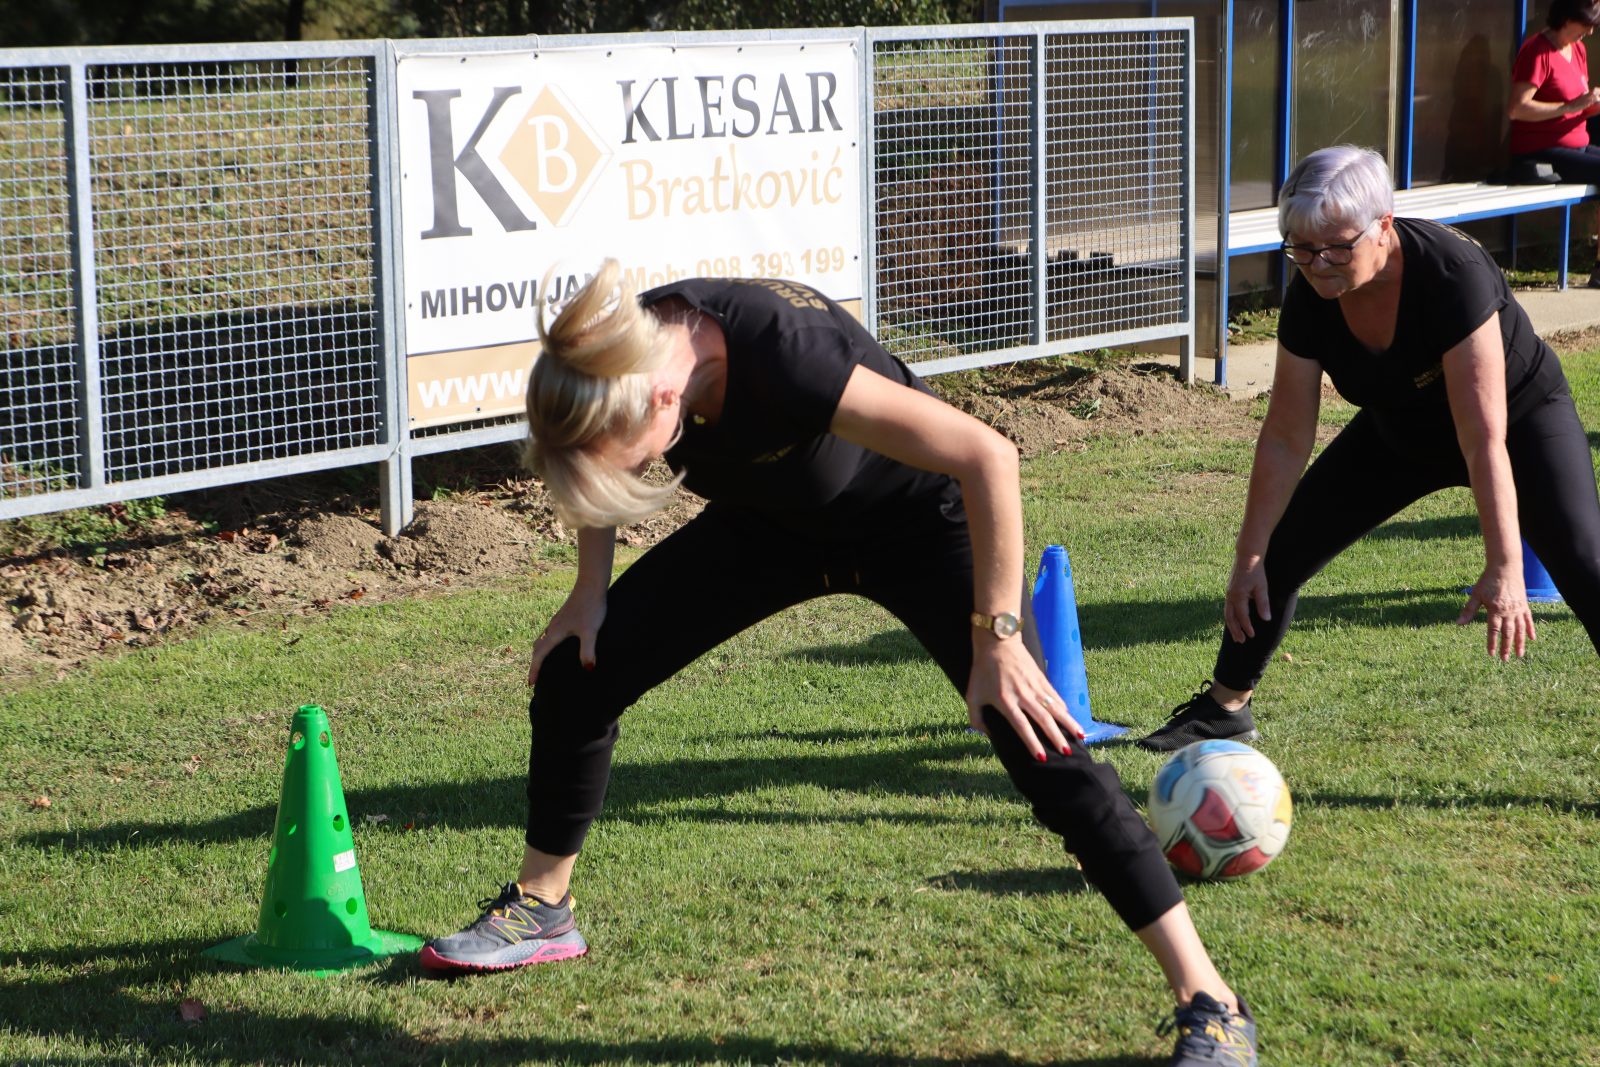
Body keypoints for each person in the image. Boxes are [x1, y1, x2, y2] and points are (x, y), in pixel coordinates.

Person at [420, 262, 1258, 1065]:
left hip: (911, 521)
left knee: (1036, 738)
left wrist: (998, 638)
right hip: (771, 527)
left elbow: (988, 456)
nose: (632, 475)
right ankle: (544, 906)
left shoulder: (786, 353)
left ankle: (1211, 1000)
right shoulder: (618, 354)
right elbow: (597, 456)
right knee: (579, 668)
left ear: (663, 397)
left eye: (630, 462)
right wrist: (587, 593)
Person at [1139, 145, 1600, 753]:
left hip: (1519, 423)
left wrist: (1504, 564)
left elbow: (1482, 436)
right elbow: (1285, 435)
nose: (1317, 264)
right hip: (1400, 428)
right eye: (1300, 248)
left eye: (1335, 247)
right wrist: (1249, 554)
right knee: (1279, 553)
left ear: (1384, 225)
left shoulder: (1452, 274)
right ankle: (1224, 708)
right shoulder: (1311, 293)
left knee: (1586, 563)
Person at [1506, 0, 1600, 286]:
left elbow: (1577, 105)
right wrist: (1569, 107)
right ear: (1567, 18)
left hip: (1576, 143)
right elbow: (1517, 109)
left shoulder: (1578, 49)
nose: (1590, 32)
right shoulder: (1537, 51)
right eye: (1586, 25)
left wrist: (1591, 105)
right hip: (1543, 150)